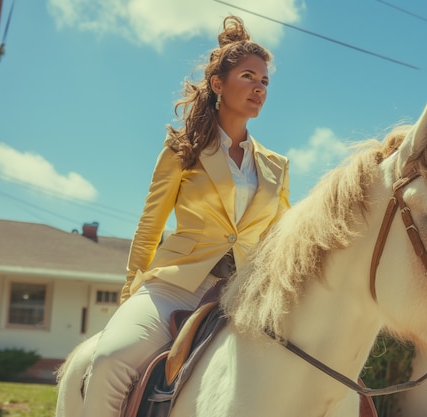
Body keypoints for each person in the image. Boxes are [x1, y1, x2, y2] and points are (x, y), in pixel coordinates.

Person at [81, 15, 290, 417]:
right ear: (218, 84)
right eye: (248, 77)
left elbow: (282, 238)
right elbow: (149, 228)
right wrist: (130, 294)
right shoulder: (182, 149)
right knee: (108, 361)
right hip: (175, 287)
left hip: (244, 294)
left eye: (264, 82)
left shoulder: (277, 166)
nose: (259, 89)